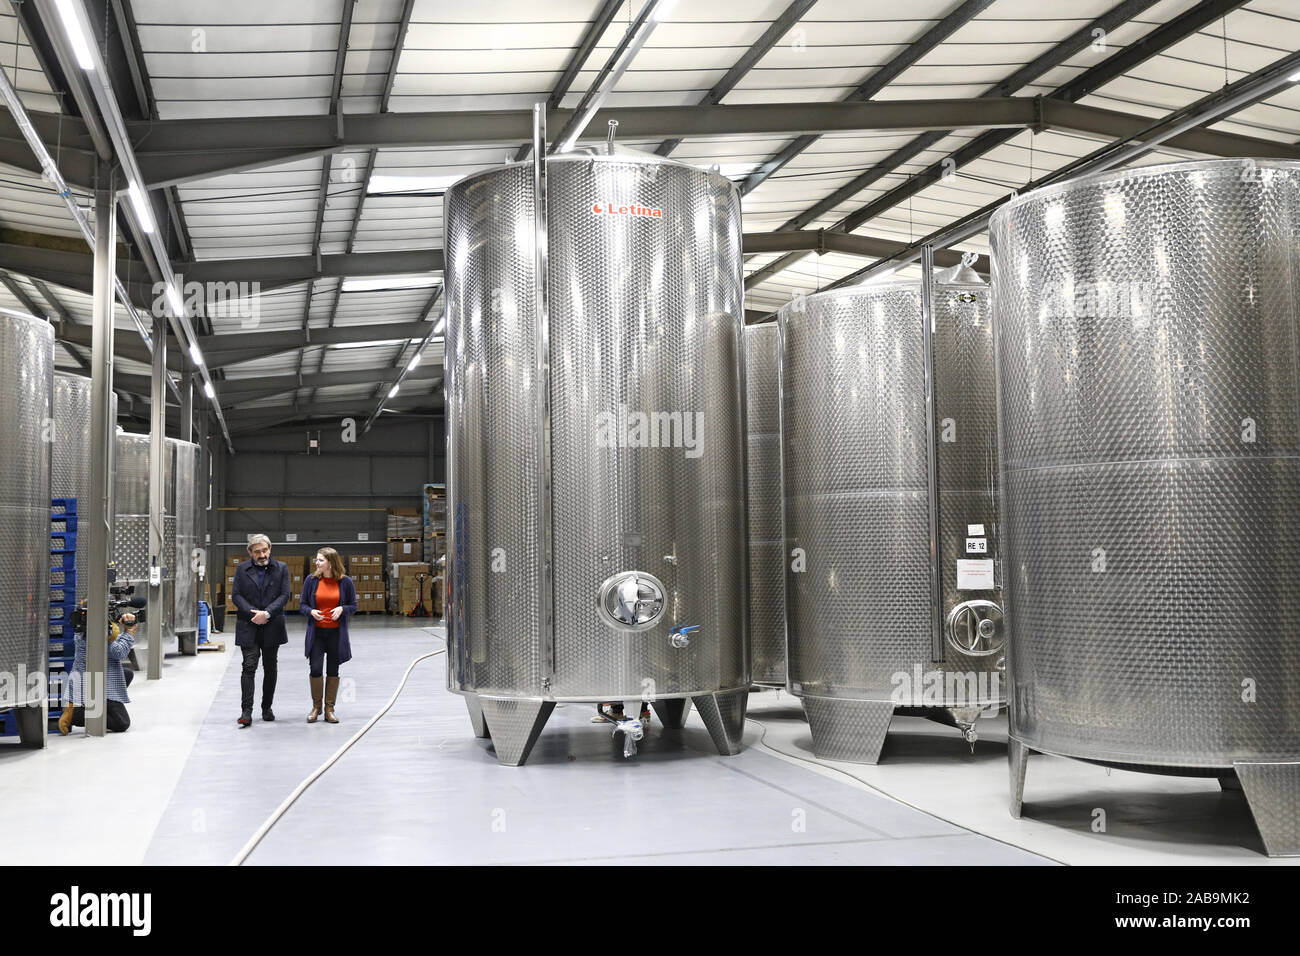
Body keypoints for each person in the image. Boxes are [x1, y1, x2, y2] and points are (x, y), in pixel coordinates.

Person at [231, 534, 290, 727]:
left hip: (272, 623)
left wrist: (267, 613)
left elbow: (284, 595)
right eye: (257, 551)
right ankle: (246, 712)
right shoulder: (241, 569)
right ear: (250, 552)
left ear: (270, 549)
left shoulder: (281, 568)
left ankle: (267, 708)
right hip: (249, 624)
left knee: (270, 667)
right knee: (249, 666)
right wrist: (253, 614)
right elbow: (236, 595)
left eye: (264, 550)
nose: (262, 554)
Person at [58, 608, 136, 734]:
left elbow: (111, 645)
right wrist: (130, 631)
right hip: (97, 684)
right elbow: (119, 652)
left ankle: (103, 705)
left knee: (127, 674)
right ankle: (77, 715)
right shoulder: (99, 632)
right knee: (122, 723)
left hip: (87, 678)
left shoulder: (84, 631)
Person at [301, 547, 357, 724]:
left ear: (330, 563)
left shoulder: (345, 582)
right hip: (317, 633)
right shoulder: (311, 580)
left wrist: (342, 608)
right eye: (316, 560)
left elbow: (353, 606)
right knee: (315, 668)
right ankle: (316, 707)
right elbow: (302, 605)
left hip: (336, 634)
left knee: (333, 669)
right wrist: (311, 611)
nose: (316, 563)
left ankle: (329, 709)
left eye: (320, 560)